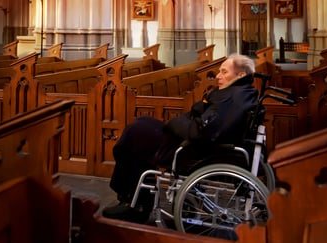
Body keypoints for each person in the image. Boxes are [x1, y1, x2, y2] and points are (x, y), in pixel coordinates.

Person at [102, 53, 259, 223]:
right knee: (141, 125)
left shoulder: (232, 96)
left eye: (224, 72)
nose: (218, 76)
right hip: (191, 142)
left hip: (191, 149)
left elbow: (203, 131)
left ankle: (133, 202)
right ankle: (136, 198)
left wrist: (174, 123)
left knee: (135, 134)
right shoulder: (241, 91)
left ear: (241, 75)